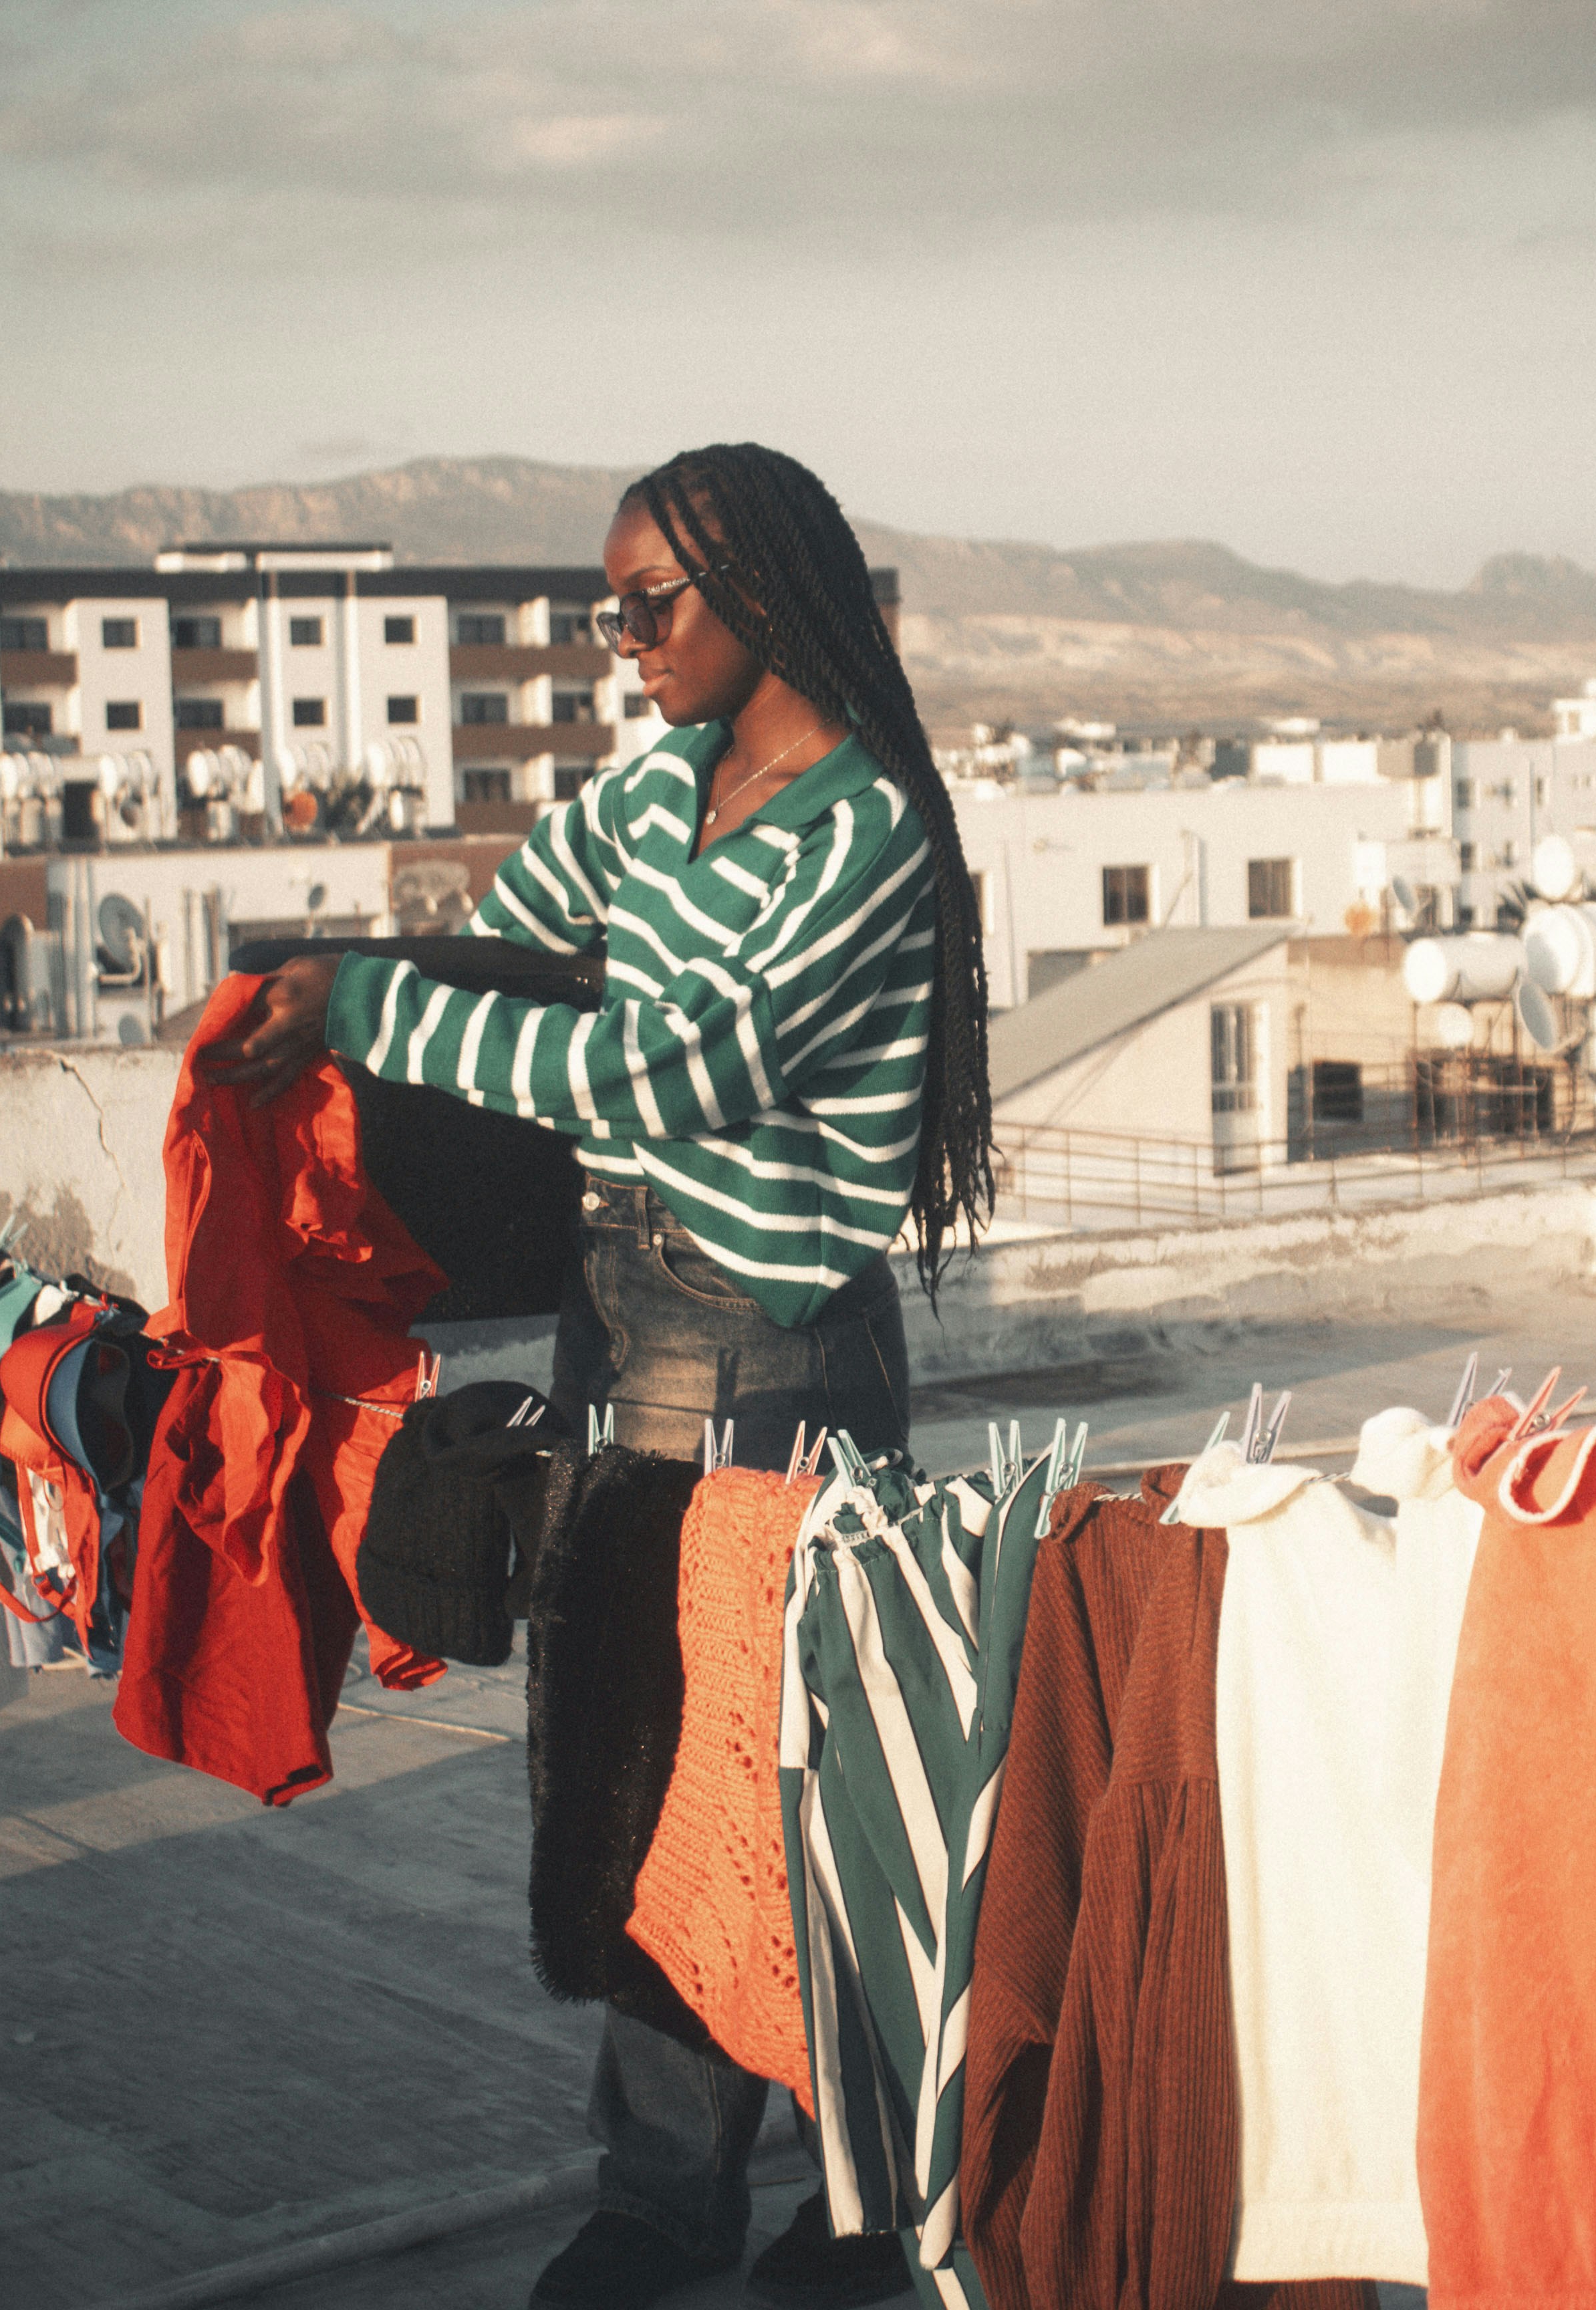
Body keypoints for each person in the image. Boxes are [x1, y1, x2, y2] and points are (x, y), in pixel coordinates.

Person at [202, 441, 994, 2310]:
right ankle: (663, 2194)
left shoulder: (863, 830)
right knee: (632, 1776)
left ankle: (873, 2208)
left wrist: (374, 1006)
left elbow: (665, 1076)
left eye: (649, 603)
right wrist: (331, 996)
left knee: (798, 1789)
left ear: (766, 599)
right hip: (621, 1322)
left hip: (778, 1358)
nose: (616, 640)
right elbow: (525, 926)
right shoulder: (663, 788)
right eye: (605, 606)